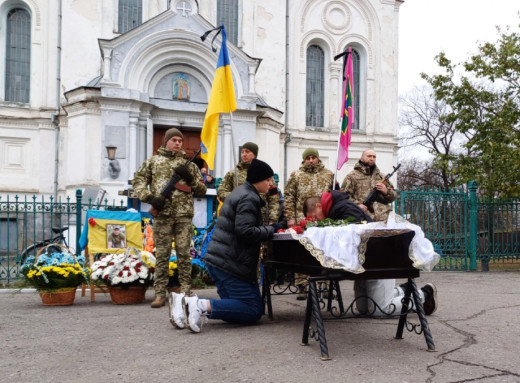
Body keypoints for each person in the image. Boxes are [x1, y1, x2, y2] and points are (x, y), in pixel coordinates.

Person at [169, 159, 282, 332]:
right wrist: (271, 229)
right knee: (253, 310)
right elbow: (245, 231)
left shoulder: (240, 192)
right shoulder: (249, 198)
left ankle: (181, 302)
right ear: (257, 180)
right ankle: (197, 304)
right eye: (267, 179)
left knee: (235, 308)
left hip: (220, 261)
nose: (270, 183)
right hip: (231, 264)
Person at [303, 192, 438, 316]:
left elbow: (354, 231)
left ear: (318, 205)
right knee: (363, 309)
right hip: (368, 261)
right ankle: (404, 290)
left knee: (381, 310)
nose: (317, 221)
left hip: (379, 260)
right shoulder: (336, 208)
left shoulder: (340, 207)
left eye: (315, 217)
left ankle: (424, 294)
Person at [340, 149, 438, 315]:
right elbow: (343, 198)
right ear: (362, 158)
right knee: (363, 304)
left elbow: (393, 196)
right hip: (362, 223)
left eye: (374, 156)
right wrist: (357, 206)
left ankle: (418, 295)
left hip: (383, 223)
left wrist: (385, 191)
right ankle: (405, 291)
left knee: (380, 263)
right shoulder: (351, 176)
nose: (372, 159)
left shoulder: (381, 176)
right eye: (369, 156)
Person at [132, 128, 207, 308]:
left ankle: (186, 291)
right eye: (174, 140)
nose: (178, 143)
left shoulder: (189, 165)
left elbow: (201, 190)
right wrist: (149, 197)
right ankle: (159, 293)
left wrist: (191, 179)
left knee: (184, 255)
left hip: (183, 215)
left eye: (180, 140)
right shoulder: (153, 162)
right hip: (163, 215)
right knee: (162, 256)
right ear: (166, 141)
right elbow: (139, 181)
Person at [284, 147, 335, 299]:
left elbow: (335, 195)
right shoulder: (296, 175)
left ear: (318, 158)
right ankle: (302, 285)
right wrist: (290, 218)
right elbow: (289, 197)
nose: (311, 160)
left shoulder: (329, 175)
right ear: (304, 159)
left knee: (324, 249)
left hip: (323, 219)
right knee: (303, 251)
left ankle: (324, 285)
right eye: (308, 158)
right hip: (302, 218)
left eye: (314, 157)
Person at [217, 142, 279, 224]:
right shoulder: (233, 173)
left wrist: (273, 220)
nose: (244, 154)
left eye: (247, 152)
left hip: (260, 218)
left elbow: (274, 197)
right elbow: (221, 192)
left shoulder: (264, 172)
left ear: (255, 154)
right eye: (242, 152)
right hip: (238, 216)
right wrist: (237, 198)